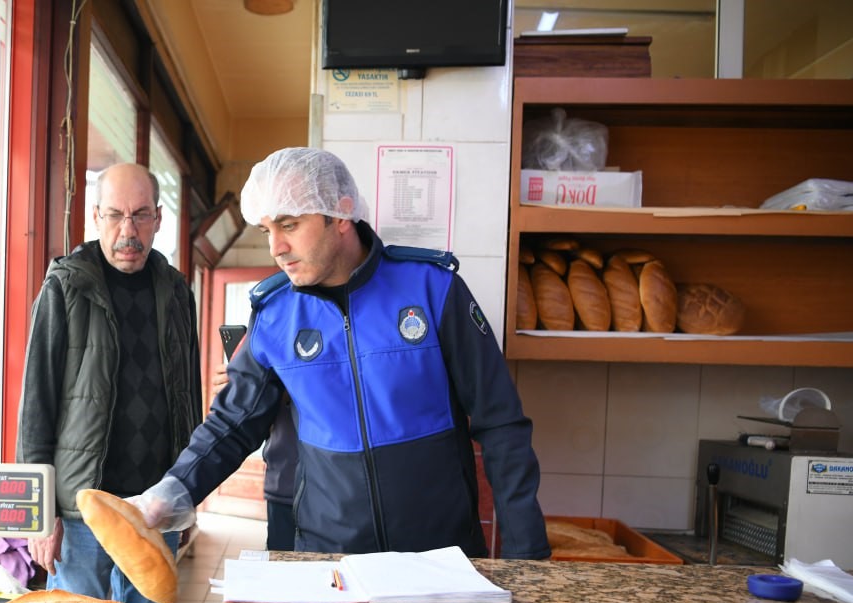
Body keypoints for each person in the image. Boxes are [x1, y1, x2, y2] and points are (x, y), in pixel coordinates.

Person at [133, 147, 549, 559]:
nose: (276, 247)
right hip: (328, 561)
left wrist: (526, 554)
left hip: (442, 555)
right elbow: (232, 422)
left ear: (342, 213)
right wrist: (173, 490)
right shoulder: (275, 315)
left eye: (289, 224)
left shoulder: (432, 290)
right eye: (266, 231)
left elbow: (501, 423)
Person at [16, 162, 202, 603]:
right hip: (81, 509)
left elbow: (188, 395)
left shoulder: (177, 292)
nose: (128, 230)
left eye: (140, 215)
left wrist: (188, 497)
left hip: (155, 506)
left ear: (158, 218)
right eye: (116, 215)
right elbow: (36, 405)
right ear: (96, 216)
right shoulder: (65, 288)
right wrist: (40, 513)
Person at [210, 361, 297, 551]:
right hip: (283, 481)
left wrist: (271, 388)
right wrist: (239, 395)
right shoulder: (267, 341)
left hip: (340, 488)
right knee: (282, 563)